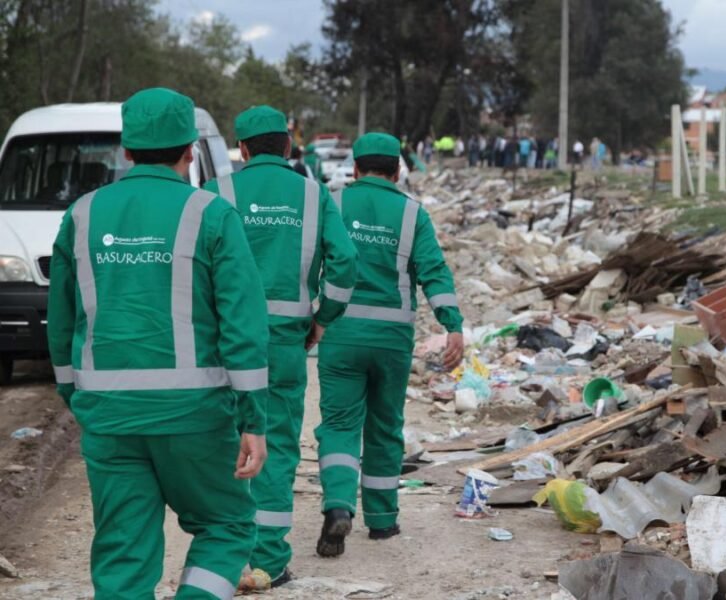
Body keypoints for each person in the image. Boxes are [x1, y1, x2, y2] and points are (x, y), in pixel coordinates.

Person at [47, 87, 270, 598]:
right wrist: (253, 419)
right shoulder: (211, 214)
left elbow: (60, 324)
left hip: (109, 417)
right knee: (227, 526)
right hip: (195, 418)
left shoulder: (81, 215)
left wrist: (75, 397)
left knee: (124, 552)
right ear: (190, 150)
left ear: (126, 150)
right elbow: (242, 325)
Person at [204, 106, 358, 588]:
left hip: (226, 347)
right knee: (279, 447)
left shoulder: (216, 193)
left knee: (230, 446)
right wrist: (322, 318)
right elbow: (346, 264)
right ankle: (269, 560)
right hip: (288, 343)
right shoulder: (314, 196)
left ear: (242, 149)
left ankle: (230, 558)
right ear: (289, 147)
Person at [315, 132, 464, 558]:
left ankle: (339, 506)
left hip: (341, 335)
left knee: (340, 425)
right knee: (384, 428)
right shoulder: (412, 213)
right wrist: (452, 325)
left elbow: (315, 264)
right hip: (392, 340)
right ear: (398, 171)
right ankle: (382, 522)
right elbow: (433, 271)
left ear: (355, 169)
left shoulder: (334, 203)